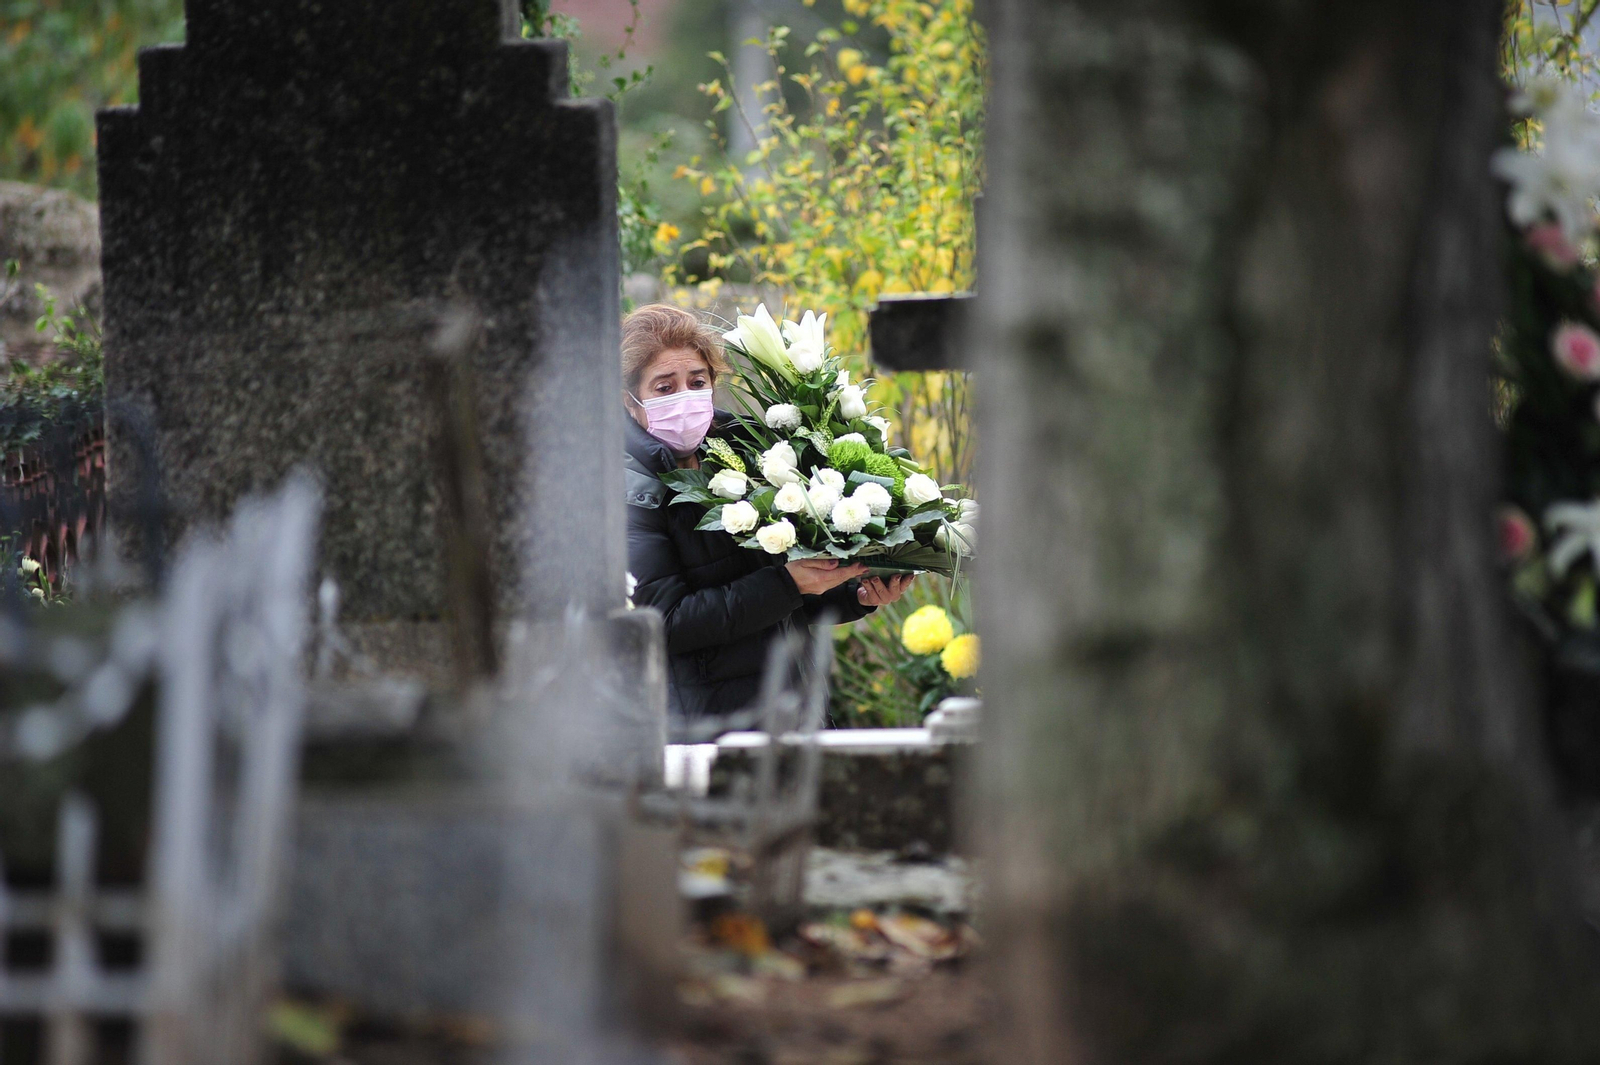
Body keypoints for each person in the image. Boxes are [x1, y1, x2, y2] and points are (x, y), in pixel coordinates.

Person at [622, 303, 914, 723]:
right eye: (664, 387)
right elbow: (665, 623)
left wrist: (854, 594)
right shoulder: (630, 491)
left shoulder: (746, 452)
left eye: (697, 381)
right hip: (712, 730)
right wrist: (787, 584)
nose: (685, 396)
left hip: (794, 710)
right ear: (630, 401)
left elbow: (784, 598)